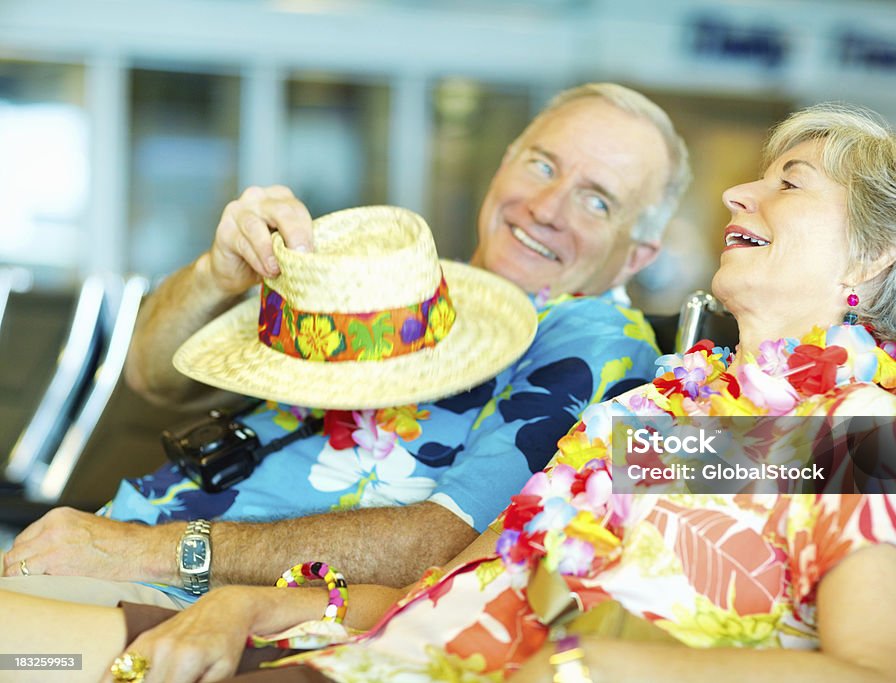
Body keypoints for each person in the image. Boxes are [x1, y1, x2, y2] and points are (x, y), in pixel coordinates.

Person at [0, 101, 896, 683]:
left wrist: (617, 661)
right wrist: (254, 608)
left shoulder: (851, 427)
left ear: (873, 252)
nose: (739, 194)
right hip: (374, 652)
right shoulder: (666, 424)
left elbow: (883, 673)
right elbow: (459, 583)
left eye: (790, 182)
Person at [0, 83, 692, 609]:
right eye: (542, 165)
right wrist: (218, 277)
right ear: (503, 164)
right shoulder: (419, 291)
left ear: (639, 254)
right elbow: (155, 376)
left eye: (597, 200)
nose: (548, 207)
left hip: (199, 605)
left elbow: (439, 541)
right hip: (103, 548)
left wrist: (151, 548)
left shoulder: (596, 340)